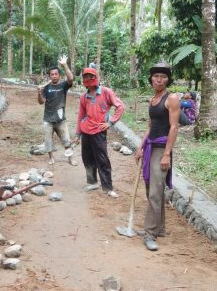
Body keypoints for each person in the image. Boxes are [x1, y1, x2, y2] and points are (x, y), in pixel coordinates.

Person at [135, 62, 180, 251]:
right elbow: (150, 126)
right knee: (152, 189)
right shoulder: (153, 99)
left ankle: (150, 233)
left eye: (163, 77)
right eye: (156, 76)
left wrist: (167, 154)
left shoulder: (172, 99)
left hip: (162, 149)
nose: (159, 79)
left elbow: (174, 127)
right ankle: (159, 228)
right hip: (150, 147)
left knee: (155, 191)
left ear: (168, 80)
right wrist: (140, 146)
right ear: (151, 79)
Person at [74, 68, 125, 198]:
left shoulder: (106, 92)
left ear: (96, 77)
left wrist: (111, 122)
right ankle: (92, 182)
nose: (89, 79)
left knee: (102, 159)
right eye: (86, 77)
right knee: (87, 158)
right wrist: (78, 133)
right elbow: (81, 115)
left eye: (91, 76)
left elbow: (120, 106)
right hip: (86, 131)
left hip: (99, 131)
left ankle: (108, 187)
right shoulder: (83, 97)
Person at [37, 55, 76, 166]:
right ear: (49, 76)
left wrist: (64, 65)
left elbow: (71, 79)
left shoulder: (63, 85)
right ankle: (51, 158)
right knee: (48, 141)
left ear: (59, 75)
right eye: (52, 74)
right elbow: (41, 102)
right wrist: (39, 93)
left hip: (60, 119)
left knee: (66, 140)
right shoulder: (46, 87)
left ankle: (70, 159)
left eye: (56, 74)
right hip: (48, 119)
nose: (54, 76)